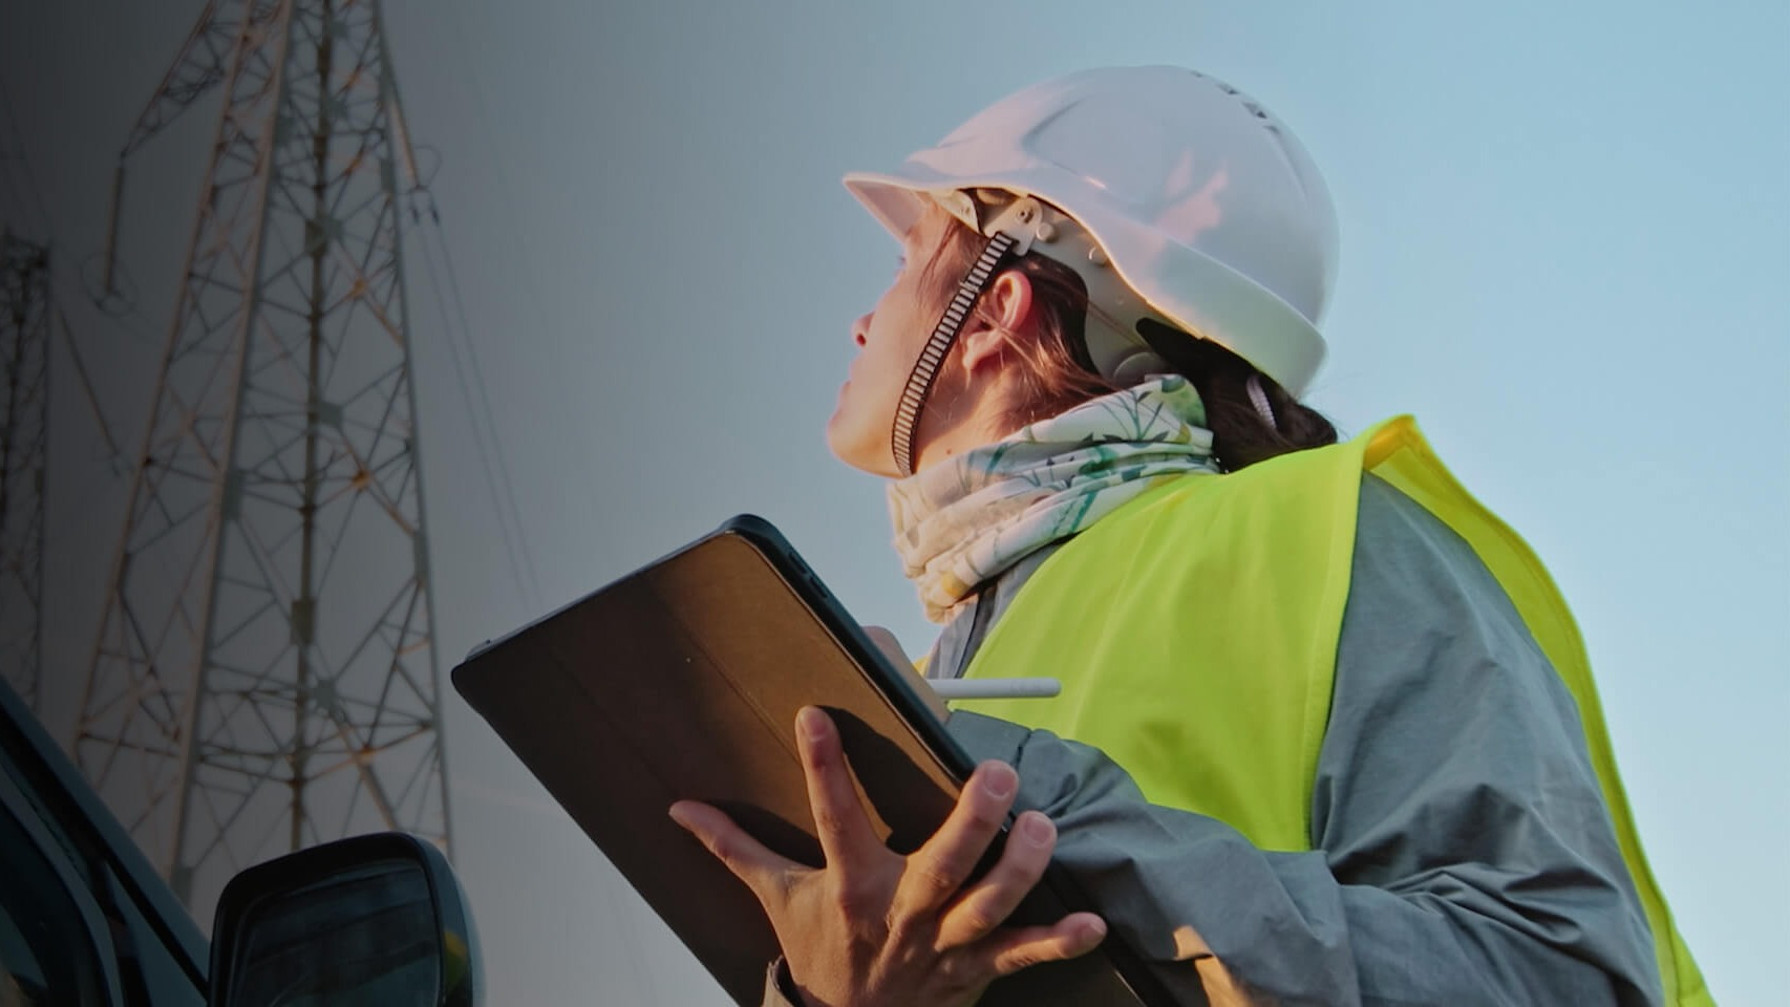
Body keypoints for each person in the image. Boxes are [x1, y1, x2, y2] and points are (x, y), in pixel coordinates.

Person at [667, 66, 1711, 1006]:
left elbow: (1546, 972)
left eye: (907, 257)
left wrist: (1023, 810)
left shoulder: (1320, 536)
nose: (863, 318)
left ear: (995, 309)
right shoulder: (949, 660)